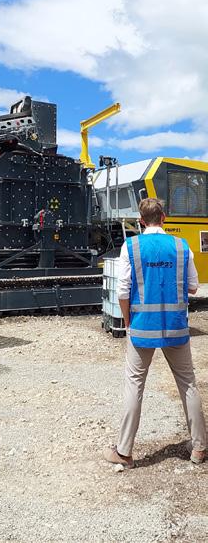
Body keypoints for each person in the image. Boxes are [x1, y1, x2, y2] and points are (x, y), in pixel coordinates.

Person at [104, 197, 206, 469]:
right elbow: (193, 287)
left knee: (134, 384)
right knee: (188, 383)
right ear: (164, 218)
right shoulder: (181, 246)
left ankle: (124, 452)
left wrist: (128, 322)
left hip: (142, 327)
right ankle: (199, 448)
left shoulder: (131, 246)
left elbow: (123, 291)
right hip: (176, 326)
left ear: (140, 221)